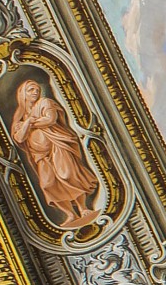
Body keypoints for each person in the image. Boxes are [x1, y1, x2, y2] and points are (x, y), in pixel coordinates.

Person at [9, 75, 104, 227]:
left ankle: (83, 208)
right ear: (22, 94)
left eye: (37, 89)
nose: (35, 92)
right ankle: (70, 214)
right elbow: (19, 138)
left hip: (57, 145)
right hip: (40, 155)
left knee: (67, 175)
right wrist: (28, 122)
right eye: (31, 90)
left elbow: (50, 119)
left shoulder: (44, 102)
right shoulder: (19, 116)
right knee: (47, 184)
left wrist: (29, 124)